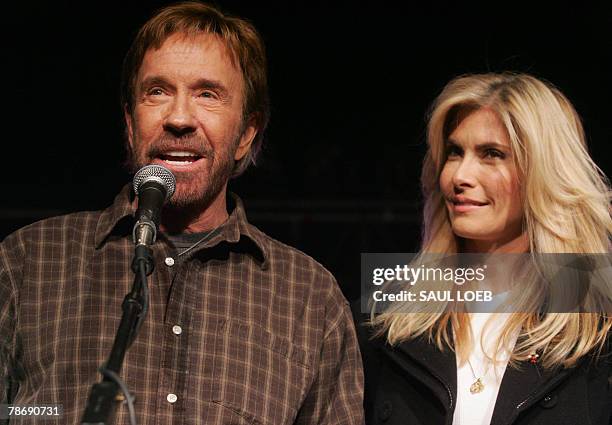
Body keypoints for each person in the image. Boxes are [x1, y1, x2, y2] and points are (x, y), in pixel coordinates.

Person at [0, 2, 364, 424]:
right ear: (131, 123)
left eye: (207, 94)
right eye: (157, 91)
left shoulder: (310, 299)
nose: (178, 117)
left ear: (246, 133)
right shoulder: (27, 261)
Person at [359, 73, 611, 424]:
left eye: (491, 154)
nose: (461, 175)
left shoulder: (599, 323)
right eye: (454, 152)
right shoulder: (388, 316)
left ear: (545, 172)